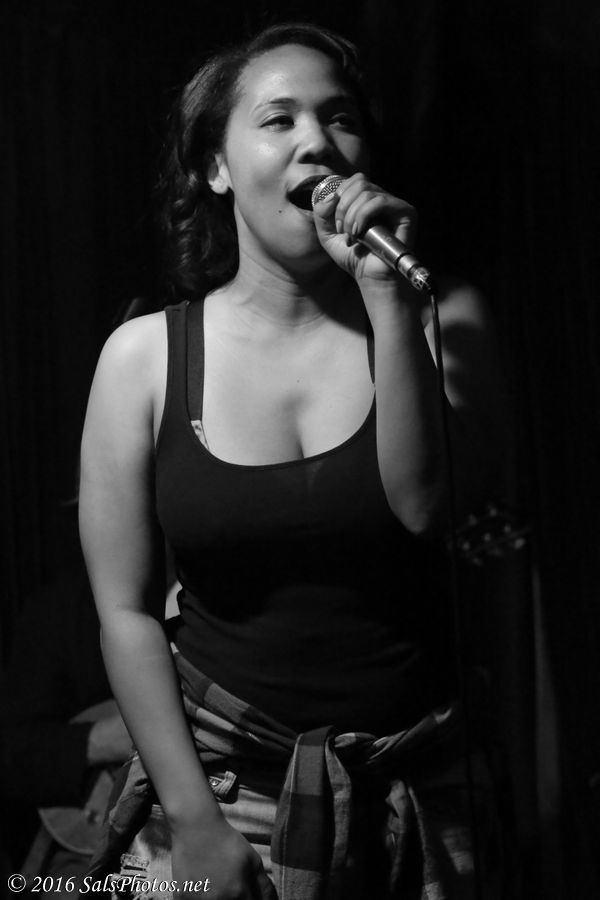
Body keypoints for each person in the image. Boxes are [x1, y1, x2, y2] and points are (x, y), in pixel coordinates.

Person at [79, 22, 505, 900]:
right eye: (279, 120)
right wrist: (194, 823)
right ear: (216, 166)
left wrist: (385, 296)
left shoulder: (442, 319)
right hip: (223, 787)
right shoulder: (144, 358)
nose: (318, 141)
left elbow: (426, 507)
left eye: (339, 117)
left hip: (417, 790)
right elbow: (124, 610)